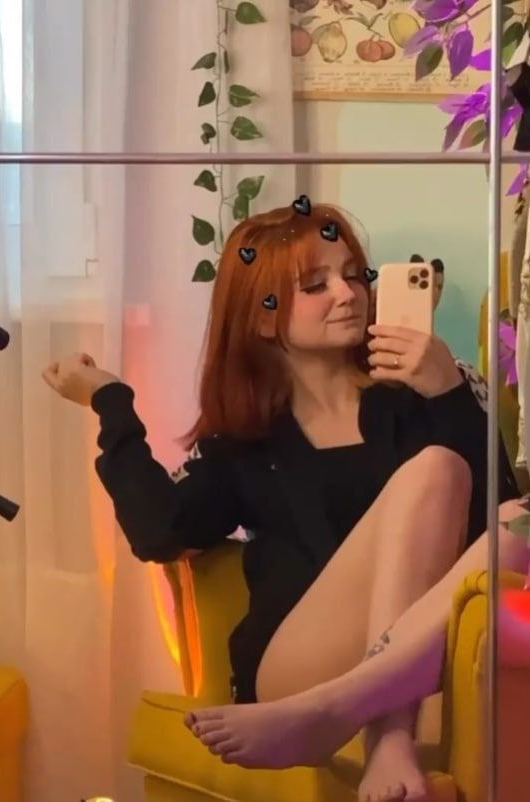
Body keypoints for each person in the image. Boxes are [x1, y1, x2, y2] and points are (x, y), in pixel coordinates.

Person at [42, 201, 526, 802]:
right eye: (316, 285)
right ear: (264, 316)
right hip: (298, 666)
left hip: (423, 670)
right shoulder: (243, 441)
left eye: (354, 275)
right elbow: (158, 530)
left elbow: (500, 536)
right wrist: (110, 400)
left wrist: (450, 394)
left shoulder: (434, 388)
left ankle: (362, 713)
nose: (349, 294)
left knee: (518, 521)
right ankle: (384, 734)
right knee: (434, 469)